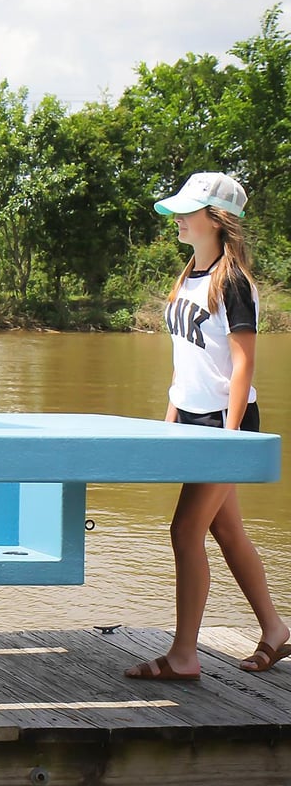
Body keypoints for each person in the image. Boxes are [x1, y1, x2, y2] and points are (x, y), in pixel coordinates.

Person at [125, 171, 289, 681]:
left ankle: (184, 656)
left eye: (186, 210)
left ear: (215, 220)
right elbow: (185, 364)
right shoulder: (188, 277)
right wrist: (170, 425)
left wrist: (230, 438)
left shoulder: (235, 283)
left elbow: (242, 367)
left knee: (184, 530)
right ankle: (277, 631)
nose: (177, 217)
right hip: (193, 420)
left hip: (224, 423)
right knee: (226, 528)